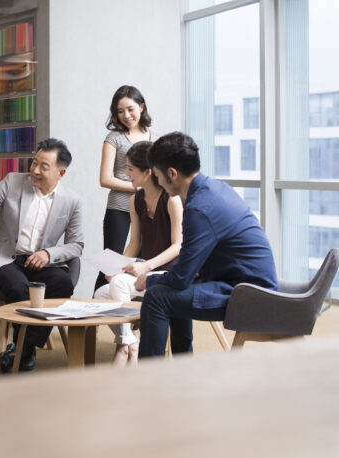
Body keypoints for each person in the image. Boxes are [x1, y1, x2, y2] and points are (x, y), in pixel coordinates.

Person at [135, 132, 279, 358]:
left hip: (249, 294)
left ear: (172, 174)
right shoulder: (214, 188)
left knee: (156, 296)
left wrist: (149, 279)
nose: (158, 182)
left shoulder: (199, 208)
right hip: (246, 283)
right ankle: (184, 364)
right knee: (171, 288)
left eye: (157, 176)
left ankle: (151, 380)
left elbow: (181, 278)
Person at [0, 138, 84, 373]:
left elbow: (76, 245)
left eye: (43, 167)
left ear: (60, 173)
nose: (35, 170)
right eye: (34, 163)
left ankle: (24, 347)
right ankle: (25, 349)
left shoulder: (72, 201)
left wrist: (49, 254)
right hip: (9, 258)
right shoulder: (12, 182)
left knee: (62, 284)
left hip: (43, 262)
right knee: (19, 289)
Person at [93, 141, 182, 366]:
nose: (126, 173)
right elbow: (134, 242)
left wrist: (145, 266)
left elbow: (178, 245)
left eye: (130, 168)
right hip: (147, 273)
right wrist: (117, 268)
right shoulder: (136, 200)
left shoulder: (171, 199)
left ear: (148, 172)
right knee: (100, 295)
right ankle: (131, 342)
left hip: (170, 274)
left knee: (120, 285)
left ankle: (124, 347)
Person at [95, 85, 157, 292]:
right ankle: (92, 315)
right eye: (120, 111)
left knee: (142, 259)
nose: (126, 115)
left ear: (141, 107)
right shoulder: (114, 138)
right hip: (119, 207)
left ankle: (135, 312)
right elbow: (105, 179)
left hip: (147, 206)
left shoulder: (152, 136)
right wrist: (138, 189)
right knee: (110, 265)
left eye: (130, 109)